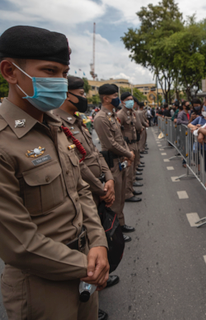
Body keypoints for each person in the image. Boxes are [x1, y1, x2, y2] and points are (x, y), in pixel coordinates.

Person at [0, 25, 109, 319]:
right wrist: (88, 265)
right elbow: (19, 244)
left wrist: (98, 240)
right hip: (40, 285)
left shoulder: (55, 127)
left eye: (63, 72)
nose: (60, 82)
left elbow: (80, 190)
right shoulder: (3, 142)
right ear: (10, 72)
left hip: (86, 269)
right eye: (49, 71)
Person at [52, 76, 120, 320]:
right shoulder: (56, 123)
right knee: (86, 247)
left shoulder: (77, 121)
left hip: (97, 186)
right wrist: (102, 188)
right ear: (67, 94)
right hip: (86, 190)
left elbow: (93, 152)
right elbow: (77, 165)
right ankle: (89, 292)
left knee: (97, 238)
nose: (84, 97)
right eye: (80, 92)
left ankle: (96, 283)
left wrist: (108, 177)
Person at [93, 84, 136, 242]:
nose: (117, 99)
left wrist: (127, 155)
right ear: (105, 98)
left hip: (121, 160)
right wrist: (128, 153)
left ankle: (121, 223)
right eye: (114, 96)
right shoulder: (100, 118)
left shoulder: (111, 116)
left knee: (121, 196)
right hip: (112, 162)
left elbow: (121, 139)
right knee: (115, 199)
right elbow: (110, 144)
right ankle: (113, 231)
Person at [117, 92, 142, 202]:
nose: (131, 101)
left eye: (132, 99)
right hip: (127, 145)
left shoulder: (131, 113)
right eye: (128, 99)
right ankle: (127, 193)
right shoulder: (120, 114)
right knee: (128, 171)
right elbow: (117, 131)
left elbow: (136, 126)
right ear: (123, 102)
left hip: (134, 143)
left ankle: (130, 189)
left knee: (131, 170)